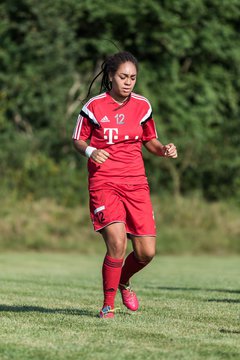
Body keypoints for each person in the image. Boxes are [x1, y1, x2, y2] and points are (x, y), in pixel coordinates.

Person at [72, 51, 177, 319]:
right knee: (117, 243)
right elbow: (78, 140)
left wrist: (163, 149)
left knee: (146, 253)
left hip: (136, 183)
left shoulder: (143, 106)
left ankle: (123, 281)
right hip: (104, 182)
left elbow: (150, 140)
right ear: (110, 76)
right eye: (123, 76)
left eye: (133, 77)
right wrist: (90, 152)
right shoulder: (93, 106)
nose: (128, 82)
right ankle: (108, 305)